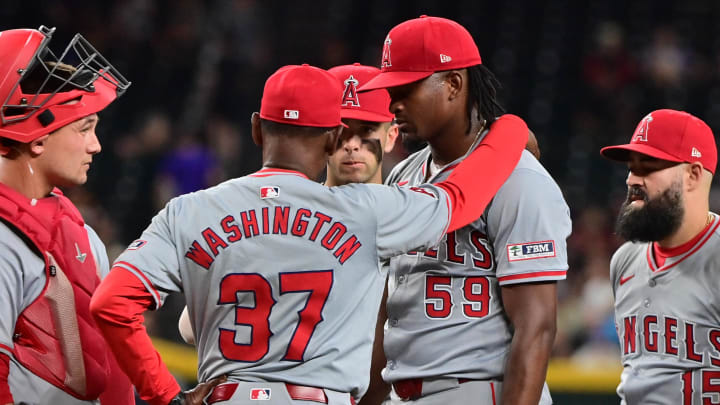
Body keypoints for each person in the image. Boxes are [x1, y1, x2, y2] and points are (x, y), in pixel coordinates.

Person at [89, 63, 530, 405]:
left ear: (257, 128)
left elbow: (111, 304)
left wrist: (164, 393)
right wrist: (510, 128)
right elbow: (460, 198)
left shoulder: (188, 210)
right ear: (333, 137)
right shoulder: (366, 211)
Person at [358, 16, 571, 405]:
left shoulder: (519, 177)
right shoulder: (404, 174)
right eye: (390, 89)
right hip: (403, 391)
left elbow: (536, 326)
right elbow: (386, 308)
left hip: (477, 389)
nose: (393, 103)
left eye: (406, 87)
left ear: (454, 84)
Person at [177, 62, 399, 345]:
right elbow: (191, 327)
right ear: (324, 135)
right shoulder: (279, 214)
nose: (351, 144)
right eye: (341, 131)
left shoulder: (412, 217)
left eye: (367, 129)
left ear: (391, 136)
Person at [0, 25, 134, 404]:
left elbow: (112, 367)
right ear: (37, 136)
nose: (96, 145)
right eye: (84, 128)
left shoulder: (81, 233)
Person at [600, 109, 719, 405]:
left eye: (647, 166)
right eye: (631, 167)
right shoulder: (624, 261)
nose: (631, 179)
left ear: (692, 175)